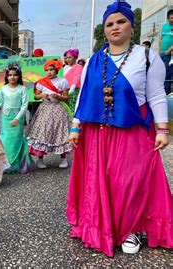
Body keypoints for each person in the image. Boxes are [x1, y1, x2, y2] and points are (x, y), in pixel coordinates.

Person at [67, 0, 172, 256]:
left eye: (121, 21)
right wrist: (76, 126)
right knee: (100, 181)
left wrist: (162, 129)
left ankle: (131, 229)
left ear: (131, 26)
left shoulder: (147, 57)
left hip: (131, 130)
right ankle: (99, 226)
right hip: (97, 132)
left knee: (129, 181)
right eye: (109, 24)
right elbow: (84, 95)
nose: (115, 28)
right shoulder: (94, 59)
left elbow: (157, 94)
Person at [26, 60, 72, 169]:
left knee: (60, 132)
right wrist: (42, 95)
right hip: (45, 109)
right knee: (43, 132)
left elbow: (67, 98)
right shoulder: (41, 82)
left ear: (56, 70)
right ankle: (40, 159)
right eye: (47, 70)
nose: (49, 72)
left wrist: (58, 97)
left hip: (58, 109)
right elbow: (36, 97)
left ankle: (63, 158)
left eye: (51, 70)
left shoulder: (63, 81)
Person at [0, 64, 35, 173]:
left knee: (16, 140)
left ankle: (17, 164)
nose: (12, 77)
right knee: (5, 140)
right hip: (5, 118)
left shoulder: (22, 89)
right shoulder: (3, 88)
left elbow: (24, 105)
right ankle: (6, 164)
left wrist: (17, 118)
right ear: (6, 77)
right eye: (10, 75)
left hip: (18, 118)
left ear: (19, 76)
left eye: (15, 75)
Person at [158, 9, 173, 94]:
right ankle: (162, 89)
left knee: (168, 71)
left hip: (170, 53)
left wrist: (170, 49)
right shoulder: (165, 26)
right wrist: (159, 51)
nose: (172, 19)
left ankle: (167, 91)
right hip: (162, 53)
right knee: (162, 71)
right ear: (168, 18)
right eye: (171, 18)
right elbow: (160, 39)